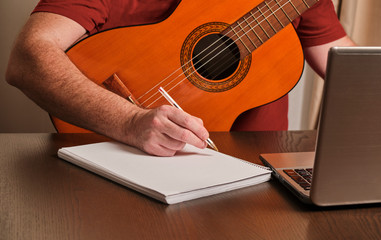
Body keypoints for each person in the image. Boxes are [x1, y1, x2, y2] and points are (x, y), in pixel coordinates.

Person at [6, 0, 355, 156]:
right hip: (129, 173)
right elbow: (27, 58)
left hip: (262, 181)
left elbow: (355, 72)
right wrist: (129, 121)